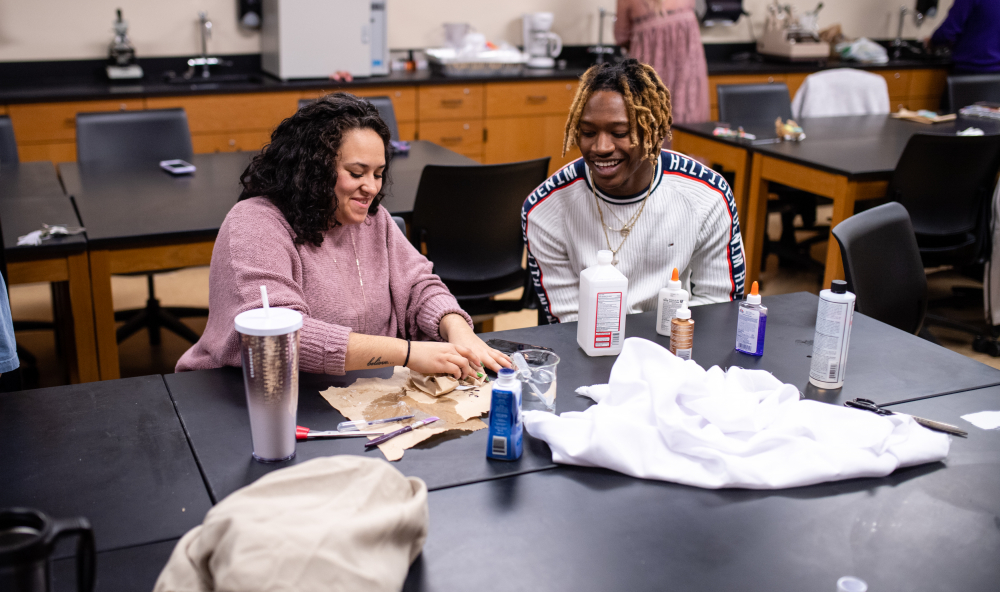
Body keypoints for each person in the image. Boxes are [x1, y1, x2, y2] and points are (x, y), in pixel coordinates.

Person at [177, 93, 509, 378]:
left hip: (359, 388)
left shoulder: (369, 218)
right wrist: (407, 353)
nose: (372, 188)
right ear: (313, 168)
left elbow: (419, 286)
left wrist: (458, 328)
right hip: (251, 394)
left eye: (378, 174)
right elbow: (281, 336)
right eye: (356, 173)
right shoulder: (254, 224)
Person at [522, 59, 745, 323]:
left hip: (675, 350)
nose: (601, 147)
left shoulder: (708, 195)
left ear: (653, 132)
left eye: (620, 132)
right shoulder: (545, 209)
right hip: (588, 354)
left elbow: (718, 308)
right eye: (588, 132)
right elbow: (569, 323)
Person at [614, 0, 709, 125]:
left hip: (650, 71)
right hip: (687, 69)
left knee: (650, 124)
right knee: (688, 123)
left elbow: (621, 35)